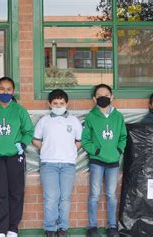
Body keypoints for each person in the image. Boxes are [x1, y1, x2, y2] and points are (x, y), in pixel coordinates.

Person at [0, 77, 34, 237]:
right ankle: (0, 229)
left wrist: (22, 145)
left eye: (8, 89)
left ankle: (12, 228)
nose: (5, 92)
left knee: (16, 192)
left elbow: (28, 131)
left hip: (14, 156)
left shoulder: (19, 110)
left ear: (13, 91)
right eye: (2, 89)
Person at [32, 89, 83, 237]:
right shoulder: (44, 121)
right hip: (49, 164)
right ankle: (50, 229)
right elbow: (35, 139)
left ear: (67, 103)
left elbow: (79, 141)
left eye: (61, 103)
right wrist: (46, 149)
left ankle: (62, 228)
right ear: (49, 104)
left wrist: (72, 150)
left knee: (65, 197)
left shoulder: (74, 121)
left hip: (68, 165)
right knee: (51, 197)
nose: (58, 106)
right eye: (55, 103)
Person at [81, 84, 127, 237]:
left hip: (113, 161)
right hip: (97, 161)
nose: (103, 98)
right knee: (94, 194)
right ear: (94, 99)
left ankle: (111, 226)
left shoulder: (118, 116)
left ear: (112, 97)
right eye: (100, 95)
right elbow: (85, 139)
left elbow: (123, 137)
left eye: (106, 95)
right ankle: (92, 227)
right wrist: (96, 150)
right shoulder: (91, 116)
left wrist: (118, 150)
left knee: (111, 195)